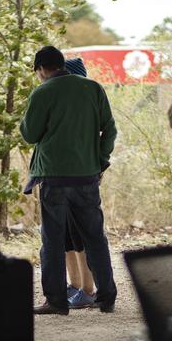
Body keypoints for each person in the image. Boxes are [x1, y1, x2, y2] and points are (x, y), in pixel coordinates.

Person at [20, 45, 117, 315]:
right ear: (61, 63)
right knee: (95, 238)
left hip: (54, 176)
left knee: (52, 240)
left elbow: (30, 134)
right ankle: (106, 297)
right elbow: (109, 129)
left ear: (41, 69)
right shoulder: (93, 88)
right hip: (87, 175)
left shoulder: (42, 92)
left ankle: (56, 301)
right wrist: (101, 160)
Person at [62, 57, 96, 309]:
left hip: (82, 175)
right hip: (62, 175)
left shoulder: (89, 103)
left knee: (80, 234)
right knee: (66, 235)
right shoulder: (67, 104)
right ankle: (74, 285)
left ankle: (88, 288)